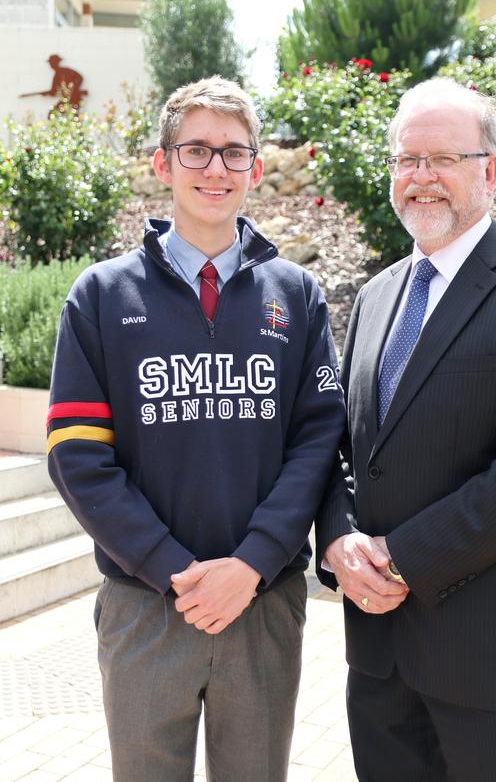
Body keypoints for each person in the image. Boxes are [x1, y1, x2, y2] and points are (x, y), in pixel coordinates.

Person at [47, 76, 345, 782]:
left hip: (263, 602)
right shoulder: (100, 295)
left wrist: (251, 563)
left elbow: (318, 440)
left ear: (256, 168)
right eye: (197, 150)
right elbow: (77, 458)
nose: (216, 168)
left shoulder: (296, 296)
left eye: (234, 152)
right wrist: (176, 572)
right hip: (147, 607)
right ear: (162, 163)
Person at [316, 78, 496, 782]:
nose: (420, 178)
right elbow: (346, 450)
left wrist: (399, 556)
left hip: (492, 659)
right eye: (405, 159)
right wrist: (338, 538)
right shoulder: (377, 295)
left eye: (442, 158)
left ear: (491, 170)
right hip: (379, 655)